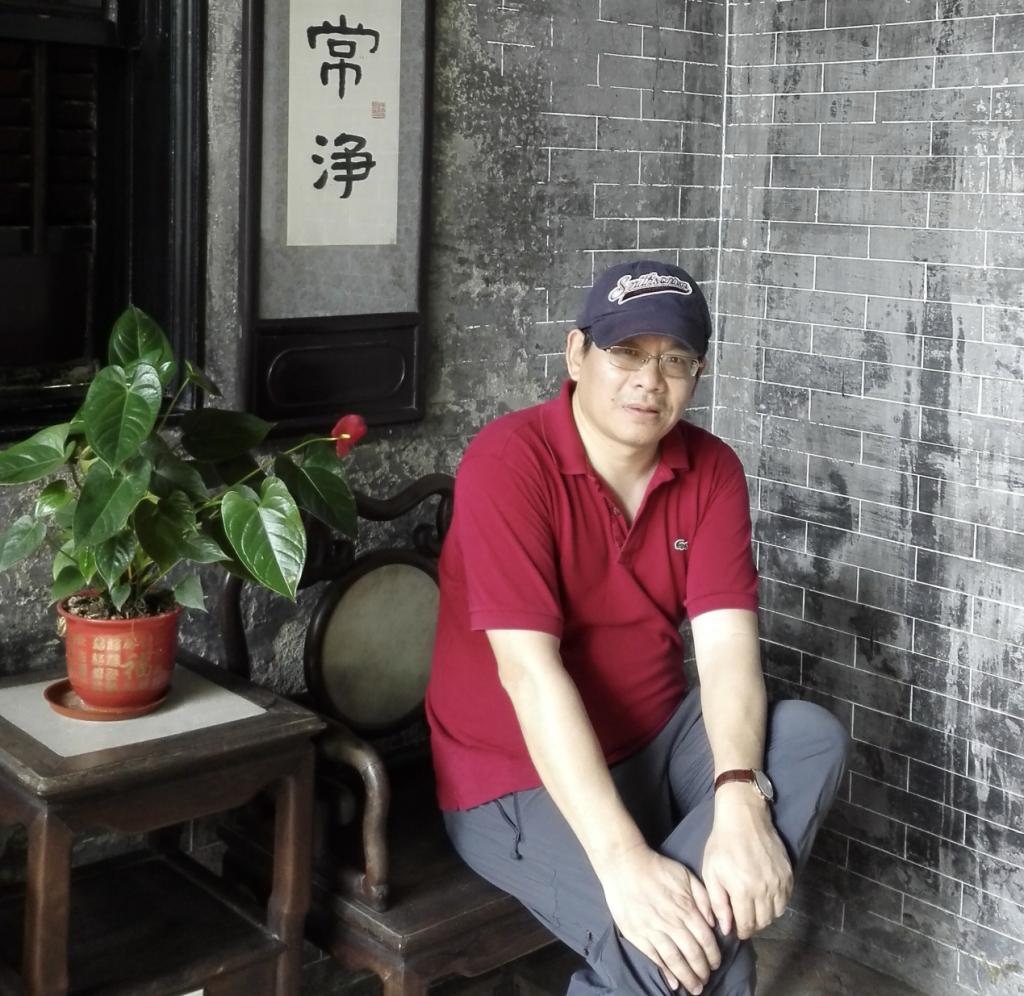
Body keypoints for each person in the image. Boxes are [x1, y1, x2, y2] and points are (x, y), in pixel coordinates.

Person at [425, 259, 849, 996]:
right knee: (701, 959)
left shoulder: (712, 470)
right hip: (515, 773)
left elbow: (727, 653)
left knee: (810, 736)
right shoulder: (508, 461)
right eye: (626, 352)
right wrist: (623, 860)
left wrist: (740, 797)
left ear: (697, 374)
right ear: (576, 353)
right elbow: (530, 674)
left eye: (675, 360)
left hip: (656, 743)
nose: (649, 380)